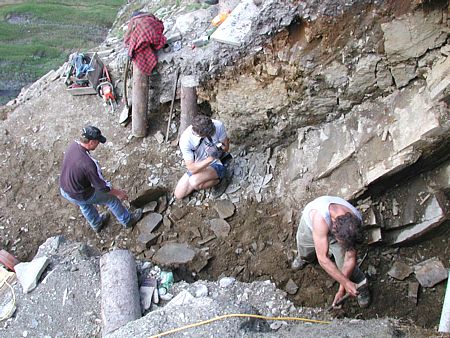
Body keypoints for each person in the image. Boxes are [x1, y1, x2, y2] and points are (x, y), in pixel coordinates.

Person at [60, 126, 143, 233]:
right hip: (81, 193)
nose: (98, 144)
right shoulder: (89, 164)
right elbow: (103, 188)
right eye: (98, 142)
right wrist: (118, 193)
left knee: (84, 205)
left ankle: (97, 224)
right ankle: (127, 220)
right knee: (112, 199)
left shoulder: (73, 146)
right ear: (91, 142)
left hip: (65, 189)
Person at [292, 195, 370, 308]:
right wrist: (345, 283)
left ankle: (360, 285)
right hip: (312, 228)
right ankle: (304, 257)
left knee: (346, 265)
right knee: (305, 249)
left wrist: (342, 288)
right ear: (334, 230)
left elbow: (350, 259)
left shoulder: (354, 223)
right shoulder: (320, 218)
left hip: (339, 233)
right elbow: (323, 259)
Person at [174, 114, 230, 200]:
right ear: (200, 135)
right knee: (178, 194)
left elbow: (226, 148)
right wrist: (210, 158)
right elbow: (191, 168)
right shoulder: (186, 140)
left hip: (217, 162)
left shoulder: (218, 125)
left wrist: (219, 150)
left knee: (194, 182)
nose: (212, 134)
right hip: (200, 164)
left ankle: (220, 180)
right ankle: (203, 181)